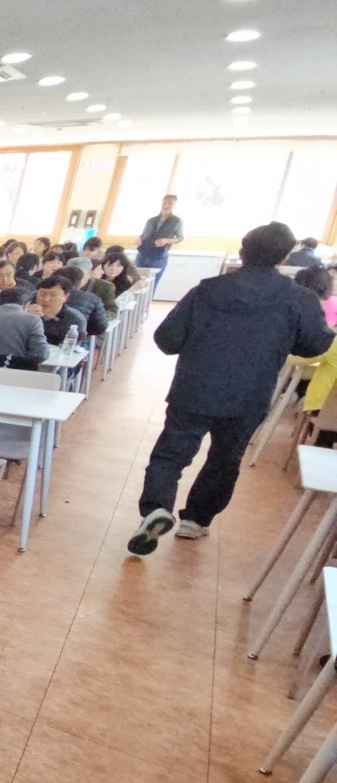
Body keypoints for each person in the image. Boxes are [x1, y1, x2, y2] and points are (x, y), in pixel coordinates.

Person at [129, 222, 334, 553]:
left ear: (242, 251)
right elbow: (314, 345)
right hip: (250, 395)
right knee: (225, 458)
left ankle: (156, 507)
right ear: (283, 257)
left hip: (194, 387)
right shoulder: (299, 298)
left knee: (170, 454)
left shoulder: (206, 290)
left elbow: (166, 339)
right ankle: (196, 521)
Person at [28, 276, 88, 345]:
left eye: (53, 295)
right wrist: (26, 318)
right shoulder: (27, 312)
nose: (46, 299)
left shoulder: (75, 320)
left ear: (65, 297)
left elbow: (71, 347)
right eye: (42, 294)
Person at [135, 194, 184, 271]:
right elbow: (143, 235)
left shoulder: (177, 221)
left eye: (170, 203)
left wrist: (166, 241)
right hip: (142, 254)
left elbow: (180, 238)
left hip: (159, 257)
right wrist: (139, 239)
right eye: (164, 203)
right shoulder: (151, 220)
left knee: (153, 278)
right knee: (136, 278)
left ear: (174, 205)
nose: (166, 205)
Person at [58, 264, 110, 336]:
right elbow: (101, 327)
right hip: (79, 338)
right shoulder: (93, 299)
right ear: (79, 283)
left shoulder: (44, 293)